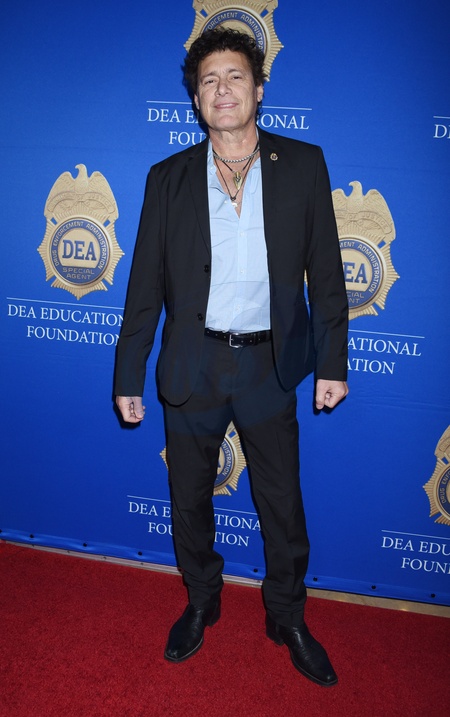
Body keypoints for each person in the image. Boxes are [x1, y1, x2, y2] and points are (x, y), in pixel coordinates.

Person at [114, 28, 348, 687]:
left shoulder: (303, 165)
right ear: (195, 98)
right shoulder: (167, 178)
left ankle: (287, 615)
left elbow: (328, 276)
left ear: (259, 89)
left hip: (270, 366)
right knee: (188, 497)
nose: (222, 89)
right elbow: (143, 288)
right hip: (194, 364)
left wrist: (333, 363)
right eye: (209, 80)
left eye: (235, 77)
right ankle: (201, 600)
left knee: (282, 501)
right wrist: (128, 374)